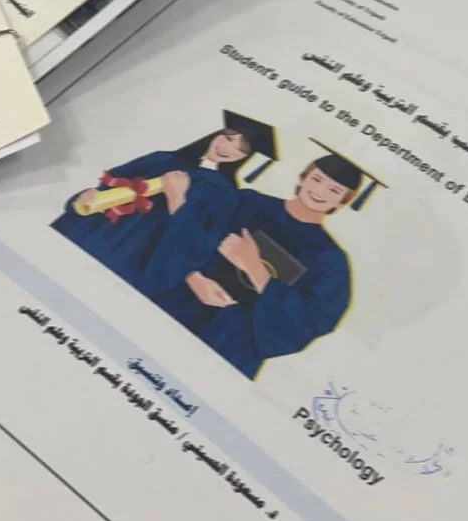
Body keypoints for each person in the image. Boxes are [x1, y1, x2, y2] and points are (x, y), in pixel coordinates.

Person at [155, 152, 373, 380]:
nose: (320, 192)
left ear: (342, 202)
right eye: (316, 179)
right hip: (182, 302)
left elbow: (310, 320)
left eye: (334, 190)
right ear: (302, 178)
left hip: (232, 340)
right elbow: (189, 232)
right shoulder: (248, 203)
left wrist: (255, 268)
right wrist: (192, 277)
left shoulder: (329, 259)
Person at [51, 112, 278, 296]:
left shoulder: (224, 195)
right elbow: (103, 190)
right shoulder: (162, 159)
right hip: (95, 238)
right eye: (227, 138)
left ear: (244, 158)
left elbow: (200, 248)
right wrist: (82, 200)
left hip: (134, 262)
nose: (227, 149)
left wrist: (177, 203)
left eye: (240, 149)